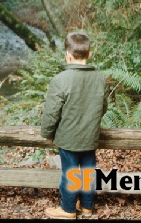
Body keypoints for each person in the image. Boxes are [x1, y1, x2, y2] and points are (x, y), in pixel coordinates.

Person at [41, 31, 107, 219]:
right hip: (90, 136)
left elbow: (51, 112)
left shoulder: (60, 79)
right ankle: (87, 206)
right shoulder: (100, 78)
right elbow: (103, 107)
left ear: (67, 55)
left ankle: (68, 209)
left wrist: (47, 133)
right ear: (89, 54)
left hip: (68, 137)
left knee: (69, 173)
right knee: (87, 171)